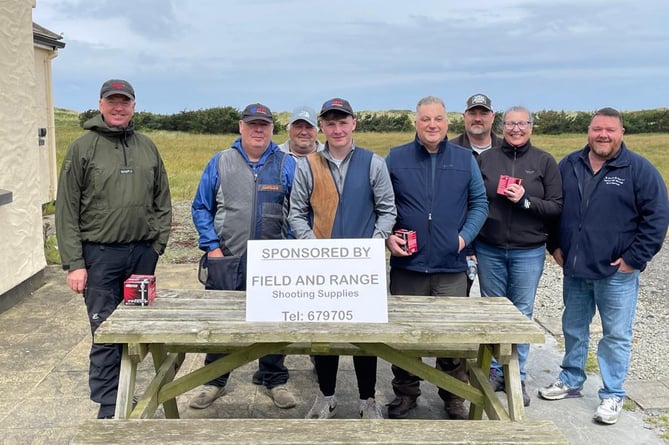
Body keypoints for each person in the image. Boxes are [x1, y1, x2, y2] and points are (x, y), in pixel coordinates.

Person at [538, 107, 669, 425]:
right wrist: (553, 245)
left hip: (616, 273)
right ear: (589, 131)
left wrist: (634, 259)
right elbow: (553, 207)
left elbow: (657, 217)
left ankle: (612, 394)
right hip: (575, 269)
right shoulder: (569, 164)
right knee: (573, 327)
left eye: (610, 129)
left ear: (621, 133)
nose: (603, 135)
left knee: (616, 335)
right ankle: (570, 380)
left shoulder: (638, 169)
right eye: (598, 129)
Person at [55, 79, 172, 419]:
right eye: (112, 101)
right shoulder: (82, 148)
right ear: (101, 104)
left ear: (134, 106)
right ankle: (110, 405)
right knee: (105, 330)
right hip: (99, 257)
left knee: (137, 328)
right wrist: (74, 263)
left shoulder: (147, 146)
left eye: (125, 101)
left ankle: (133, 390)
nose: (119, 107)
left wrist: (156, 248)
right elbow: (67, 209)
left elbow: (162, 201)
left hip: (141, 255)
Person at [288, 97, 396, 419]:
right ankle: (326, 396)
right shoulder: (309, 165)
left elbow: (387, 211)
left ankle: (367, 400)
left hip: (364, 268)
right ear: (322, 126)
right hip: (322, 267)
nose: (337, 129)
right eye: (330, 123)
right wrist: (313, 246)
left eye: (342, 122)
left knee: (365, 335)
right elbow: (296, 213)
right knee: (324, 335)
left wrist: (372, 249)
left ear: (354, 124)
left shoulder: (373, 163)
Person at [384, 95, 488, 420]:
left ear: (448, 122)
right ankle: (405, 394)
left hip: (450, 266)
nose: (432, 125)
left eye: (438, 119)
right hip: (408, 266)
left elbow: (480, 204)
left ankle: (454, 396)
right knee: (405, 337)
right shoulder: (396, 158)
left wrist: (463, 238)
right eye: (425, 119)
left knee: (451, 338)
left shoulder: (463, 158)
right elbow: (383, 205)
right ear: (415, 122)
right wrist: (388, 236)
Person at [189, 103, 298, 410]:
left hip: (274, 263)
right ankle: (214, 380)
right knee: (222, 322)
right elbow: (200, 207)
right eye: (252, 124)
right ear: (241, 127)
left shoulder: (287, 164)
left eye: (264, 125)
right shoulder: (221, 161)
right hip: (227, 258)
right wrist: (213, 247)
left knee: (274, 323)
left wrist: (289, 249)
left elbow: (299, 211)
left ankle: (273, 379)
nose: (258, 130)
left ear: (271, 129)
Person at [475, 106, 563, 407]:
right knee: (493, 312)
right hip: (489, 248)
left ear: (531, 127)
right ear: (502, 126)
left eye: (522, 123)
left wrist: (525, 202)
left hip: (528, 250)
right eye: (510, 123)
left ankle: (518, 375)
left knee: (522, 314)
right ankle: (495, 371)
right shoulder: (486, 158)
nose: (515, 129)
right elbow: (473, 201)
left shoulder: (544, 162)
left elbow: (555, 207)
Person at [451, 93, 504, 296]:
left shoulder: (507, 151)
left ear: (493, 116)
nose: (478, 118)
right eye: (473, 113)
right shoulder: (450, 150)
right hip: (459, 242)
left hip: (496, 242)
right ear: (464, 116)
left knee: (497, 306)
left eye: (483, 113)